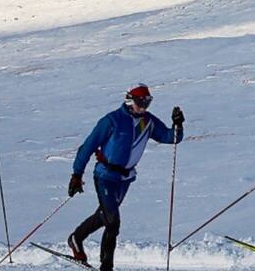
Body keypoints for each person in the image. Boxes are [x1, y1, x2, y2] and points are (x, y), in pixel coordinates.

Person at [67, 83, 184, 271]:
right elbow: (88, 146)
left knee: (104, 216)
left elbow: (171, 137)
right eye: (141, 102)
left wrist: (178, 124)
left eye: (148, 103)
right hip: (105, 176)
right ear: (130, 100)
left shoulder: (148, 122)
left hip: (125, 179)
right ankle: (107, 267)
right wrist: (76, 174)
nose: (144, 107)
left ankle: (76, 238)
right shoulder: (112, 120)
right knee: (113, 222)